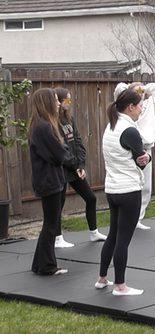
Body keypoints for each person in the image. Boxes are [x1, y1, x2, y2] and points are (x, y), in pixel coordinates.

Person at [96, 89, 151, 296]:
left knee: (113, 235)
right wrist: (148, 158)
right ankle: (120, 286)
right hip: (128, 191)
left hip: (112, 189)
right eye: (140, 107)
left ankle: (102, 278)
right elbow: (142, 162)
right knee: (123, 240)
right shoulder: (129, 131)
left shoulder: (111, 126)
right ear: (130, 107)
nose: (140, 111)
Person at [53, 88, 106, 248]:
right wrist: (74, 165)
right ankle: (57, 238)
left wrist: (81, 165)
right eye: (66, 100)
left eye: (70, 100)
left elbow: (77, 142)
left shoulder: (69, 119)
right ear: (59, 101)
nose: (69, 103)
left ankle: (94, 232)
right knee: (58, 205)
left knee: (91, 198)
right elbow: (61, 149)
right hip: (63, 168)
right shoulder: (53, 122)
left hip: (75, 168)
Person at [28, 88, 70, 276]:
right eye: (55, 100)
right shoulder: (43, 127)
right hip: (49, 181)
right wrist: (63, 148)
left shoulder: (41, 124)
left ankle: (39, 264)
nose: (58, 103)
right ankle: (47, 266)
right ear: (46, 102)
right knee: (51, 224)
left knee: (50, 223)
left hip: (49, 180)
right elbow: (60, 154)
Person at [113, 81, 155, 230]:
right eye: (138, 91)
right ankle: (127, 218)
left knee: (146, 186)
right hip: (130, 147)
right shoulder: (127, 106)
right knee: (132, 184)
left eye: (142, 91)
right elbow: (119, 89)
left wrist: (144, 88)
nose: (140, 94)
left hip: (146, 148)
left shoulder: (149, 104)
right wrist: (131, 88)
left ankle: (138, 218)